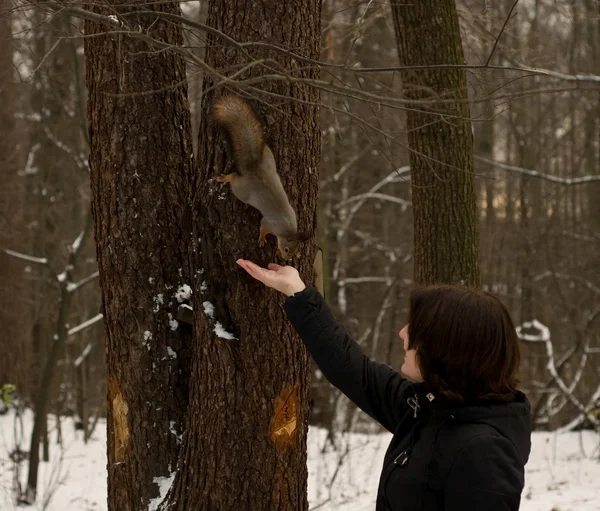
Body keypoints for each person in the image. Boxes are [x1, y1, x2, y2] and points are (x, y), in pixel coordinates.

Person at [236, 258, 532, 511]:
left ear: (446, 347)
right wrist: (297, 293)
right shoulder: (429, 409)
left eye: (415, 330)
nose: (403, 333)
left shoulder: (483, 452)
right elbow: (355, 372)